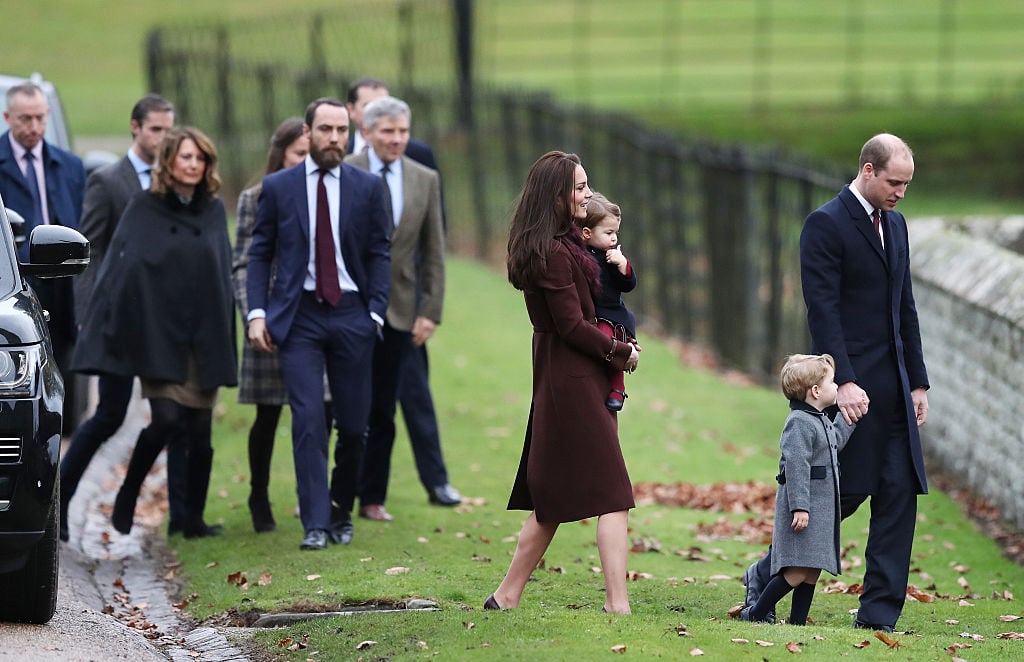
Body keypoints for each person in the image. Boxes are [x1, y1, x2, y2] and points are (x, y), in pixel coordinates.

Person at [742, 133, 929, 633]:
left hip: (896, 390)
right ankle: (765, 575)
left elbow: (903, 307)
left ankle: (878, 616)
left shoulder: (899, 225)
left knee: (898, 495)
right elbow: (822, 311)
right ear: (868, 170)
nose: (900, 193)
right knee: (838, 496)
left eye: (907, 184)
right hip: (851, 393)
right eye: (894, 182)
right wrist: (843, 382)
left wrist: (919, 383)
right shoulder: (825, 224)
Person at [485, 151, 640, 614]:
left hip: (574, 375)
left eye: (586, 184)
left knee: (552, 497)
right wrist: (621, 353)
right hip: (569, 377)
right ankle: (618, 604)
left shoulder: (567, 241)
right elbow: (572, 327)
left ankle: (506, 595)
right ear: (555, 195)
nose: (587, 193)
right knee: (613, 493)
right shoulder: (552, 253)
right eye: (579, 187)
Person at [73, 127, 237, 539]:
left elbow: (221, 273)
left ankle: (192, 520)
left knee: (199, 429)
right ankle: (129, 490)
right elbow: (123, 271)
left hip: (203, 337)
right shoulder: (145, 207)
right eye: (186, 157)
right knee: (165, 419)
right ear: (169, 162)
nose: (193, 165)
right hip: (160, 336)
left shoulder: (214, 210)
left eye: (200, 159)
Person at [246, 97, 391, 551]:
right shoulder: (279, 187)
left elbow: (379, 252)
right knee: (308, 419)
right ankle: (313, 523)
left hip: (352, 313)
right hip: (300, 316)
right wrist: (257, 313)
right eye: (325, 129)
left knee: (352, 426)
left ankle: (339, 511)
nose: (334, 139)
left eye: (341, 131)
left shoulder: (367, 188)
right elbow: (259, 254)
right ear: (307, 133)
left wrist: (374, 313)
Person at [60, 93, 178, 542]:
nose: (163, 138)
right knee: (108, 415)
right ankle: (63, 501)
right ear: (135, 128)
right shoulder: (109, 182)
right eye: (155, 130)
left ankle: (139, 497)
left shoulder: (175, 183)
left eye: (170, 130)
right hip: (117, 321)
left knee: (172, 416)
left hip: (163, 325)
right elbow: (87, 253)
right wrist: (89, 317)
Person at [345, 77, 460, 508]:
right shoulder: (346, 169)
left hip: (405, 309)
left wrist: (430, 309)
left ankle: (412, 488)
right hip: (351, 306)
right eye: (388, 131)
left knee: (407, 399)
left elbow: (435, 247)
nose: (396, 139)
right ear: (368, 129)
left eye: (402, 131)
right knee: (349, 404)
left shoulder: (423, 176)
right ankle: (342, 492)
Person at [231, 117, 315, 533]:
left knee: (317, 413)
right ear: (280, 153)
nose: (305, 162)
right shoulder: (257, 197)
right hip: (269, 320)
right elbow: (245, 262)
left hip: (316, 320)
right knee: (268, 416)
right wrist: (254, 314)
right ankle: (258, 496)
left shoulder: (326, 194)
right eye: (299, 153)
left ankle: (312, 497)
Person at [741, 354, 854, 625]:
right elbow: (796, 466)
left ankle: (798, 623)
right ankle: (756, 613)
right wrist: (800, 507)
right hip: (804, 507)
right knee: (797, 569)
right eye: (831, 381)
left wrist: (849, 419)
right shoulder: (799, 422)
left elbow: (834, 442)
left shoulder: (819, 418)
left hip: (821, 506)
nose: (836, 386)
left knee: (813, 568)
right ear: (816, 391)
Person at [0, 81, 85, 418]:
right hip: (16, 279)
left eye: (39, 118)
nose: (34, 127)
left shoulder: (69, 165)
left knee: (65, 357)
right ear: (8, 117)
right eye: (25, 119)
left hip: (61, 277)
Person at [577, 192, 638, 411]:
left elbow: (628, 285)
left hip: (612, 315)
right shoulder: (578, 255)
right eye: (609, 232)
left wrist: (623, 266)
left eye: (616, 233)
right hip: (593, 313)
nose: (614, 238)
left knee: (607, 339)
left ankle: (617, 388)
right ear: (586, 232)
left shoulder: (611, 257)